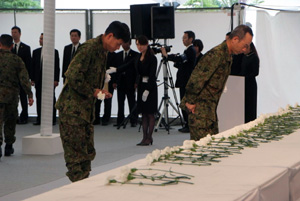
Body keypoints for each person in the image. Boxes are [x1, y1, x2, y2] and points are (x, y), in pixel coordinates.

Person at [55, 21, 130, 182]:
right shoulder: (89, 49)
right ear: (110, 36)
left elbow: (90, 77)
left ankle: (83, 189)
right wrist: (93, 91)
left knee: (87, 155)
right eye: (118, 44)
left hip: (85, 111)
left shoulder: (102, 51)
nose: (118, 48)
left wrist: (99, 90)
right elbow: (73, 76)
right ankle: (79, 193)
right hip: (72, 110)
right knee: (76, 160)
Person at [180, 24, 253, 141]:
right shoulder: (217, 54)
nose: (245, 49)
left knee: (211, 148)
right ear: (235, 39)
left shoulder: (227, 56)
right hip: (200, 112)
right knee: (202, 151)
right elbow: (196, 78)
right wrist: (190, 101)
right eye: (245, 46)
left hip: (209, 112)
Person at [0, 34, 33, 158]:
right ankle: (9, 146)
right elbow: (24, 79)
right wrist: (29, 94)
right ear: (12, 46)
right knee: (10, 121)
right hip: (12, 96)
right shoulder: (17, 60)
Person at [161, 31, 196, 133]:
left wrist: (167, 56)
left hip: (186, 81)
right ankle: (187, 124)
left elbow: (181, 59)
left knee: (185, 103)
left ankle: (188, 124)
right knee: (183, 102)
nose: (183, 39)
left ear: (190, 39)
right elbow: (182, 63)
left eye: (185, 37)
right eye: (183, 37)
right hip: (184, 80)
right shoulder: (188, 50)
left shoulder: (190, 50)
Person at [31, 33, 60, 125]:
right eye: (40, 38)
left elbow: (57, 67)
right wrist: (32, 79)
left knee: (51, 100)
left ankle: (52, 119)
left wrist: (56, 79)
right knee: (39, 99)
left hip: (49, 79)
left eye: (42, 39)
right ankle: (40, 119)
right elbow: (33, 67)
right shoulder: (35, 52)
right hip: (38, 80)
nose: (40, 40)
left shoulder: (54, 52)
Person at [134, 35, 157, 146]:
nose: (139, 47)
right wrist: (117, 69)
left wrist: (148, 90)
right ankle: (144, 137)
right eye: (137, 44)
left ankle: (149, 137)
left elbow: (152, 76)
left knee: (150, 113)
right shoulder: (138, 57)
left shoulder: (152, 58)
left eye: (141, 45)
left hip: (150, 87)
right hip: (141, 86)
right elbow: (130, 66)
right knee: (143, 113)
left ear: (146, 44)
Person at [113, 40, 139, 127]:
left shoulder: (135, 54)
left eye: (126, 42)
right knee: (120, 102)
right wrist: (114, 81)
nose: (124, 44)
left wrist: (136, 82)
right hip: (120, 81)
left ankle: (134, 120)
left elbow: (137, 70)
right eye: (123, 43)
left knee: (131, 101)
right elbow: (115, 69)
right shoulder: (118, 55)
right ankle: (120, 120)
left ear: (130, 43)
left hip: (131, 81)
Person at [11, 26, 32, 124]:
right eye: (12, 32)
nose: (13, 34)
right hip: (12, 78)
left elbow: (28, 63)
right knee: (13, 98)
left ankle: (24, 116)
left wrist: (29, 77)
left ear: (19, 34)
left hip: (22, 77)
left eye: (15, 32)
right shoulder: (9, 47)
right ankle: (14, 116)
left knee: (23, 97)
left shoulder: (26, 48)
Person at [93, 51, 117, 126]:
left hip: (110, 80)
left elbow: (116, 69)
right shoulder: (97, 53)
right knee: (97, 99)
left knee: (108, 100)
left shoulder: (114, 55)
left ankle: (106, 118)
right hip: (98, 79)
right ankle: (96, 118)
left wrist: (115, 81)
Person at [240, 42, 259, 123]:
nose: (243, 50)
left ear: (249, 48)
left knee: (250, 105)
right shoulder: (244, 57)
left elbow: (255, 72)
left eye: (245, 48)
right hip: (243, 84)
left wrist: (245, 78)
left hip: (250, 84)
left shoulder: (254, 57)